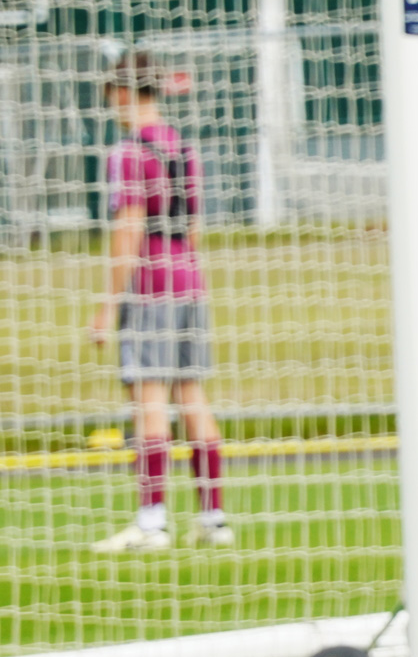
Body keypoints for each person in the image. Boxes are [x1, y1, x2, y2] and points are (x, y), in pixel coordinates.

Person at [88, 50, 232, 552]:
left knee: (148, 399)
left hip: (151, 285)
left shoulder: (127, 152)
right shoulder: (182, 147)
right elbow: (192, 225)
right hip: (190, 281)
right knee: (190, 395)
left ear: (122, 92)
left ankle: (151, 523)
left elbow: (128, 231)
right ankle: (213, 518)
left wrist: (107, 306)